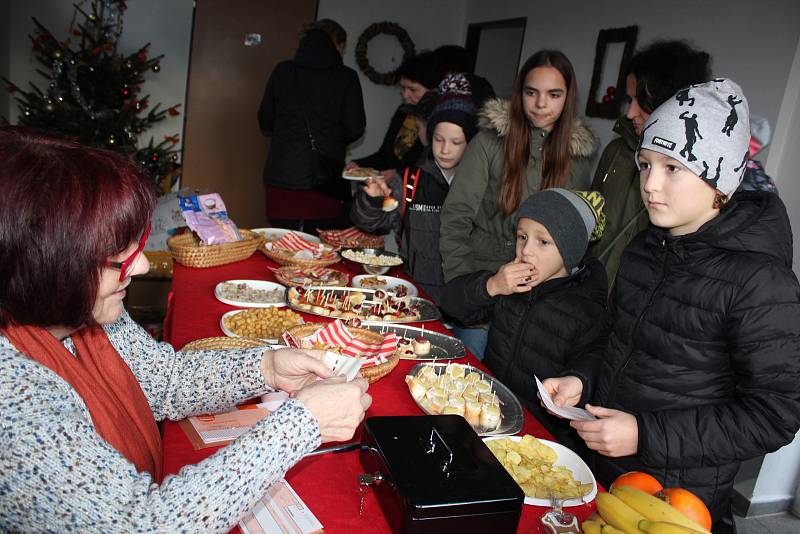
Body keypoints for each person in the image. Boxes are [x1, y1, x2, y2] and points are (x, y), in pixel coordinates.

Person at [0, 126, 372, 531]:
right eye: (117, 258)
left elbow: (164, 380)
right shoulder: (13, 404)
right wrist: (303, 424)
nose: (140, 267)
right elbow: (145, 525)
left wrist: (266, 368)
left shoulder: (84, 308)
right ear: (46, 267)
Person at [541, 80, 800, 533]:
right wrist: (583, 379)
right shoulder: (645, 248)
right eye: (645, 164)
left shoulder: (761, 280)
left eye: (673, 168)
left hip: (680, 499)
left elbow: (775, 413)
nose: (650, 185)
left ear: (718, 179)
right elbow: (615, 339)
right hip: (607, 469)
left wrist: (645, 434)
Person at [439, 49, 596, 358]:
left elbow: (575, 246)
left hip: (536, 306)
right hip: (482, 289)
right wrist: (469, 287)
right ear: (519, 92)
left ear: (568, 98)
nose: (540, 104)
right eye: (531, 92)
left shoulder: (576, 161)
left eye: (553, 94)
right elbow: (455, 217)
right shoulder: (490, 141)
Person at [440, 189, 607, 447]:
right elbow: (451, 304)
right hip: (485, 411)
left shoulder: (586, 309)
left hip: (535, 436)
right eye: (522, 237)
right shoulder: (510, 283)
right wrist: (491, 286)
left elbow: (596, 364)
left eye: (543, 242)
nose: (526, 250)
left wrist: (578, 381)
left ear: (570, 251)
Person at [590, 41, 711, 290]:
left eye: (641, 101)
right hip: (588, 298)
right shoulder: (616, 151)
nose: (630, 112)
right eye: (629, 100)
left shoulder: (700, 175)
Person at [350, 74, 478, 302]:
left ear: (470, 144)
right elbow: (373, 223)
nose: (445, 150)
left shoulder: (482, 185)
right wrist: (373, 201)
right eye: (439, 139)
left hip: (463, 299)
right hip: (413, 294)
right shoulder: (411, 179)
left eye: (456, 142)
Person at [258, 19, 366, 232]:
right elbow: (355, 127)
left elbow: (265, 120)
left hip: (282, 176)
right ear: (335, 44)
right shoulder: (346, 77)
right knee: (321, 244)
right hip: (326, 178)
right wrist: (332, 138)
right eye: (342, 48)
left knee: (281, 244)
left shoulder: (283, 71)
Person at [347, 51, 443, 180]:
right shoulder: (404, 111)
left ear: (434, 90)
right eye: (403, 88)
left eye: (413, 89)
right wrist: (358, 164)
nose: (405, 95)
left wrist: (399, 174)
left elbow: (434, 169)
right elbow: (385, 156)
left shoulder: (442, 122)